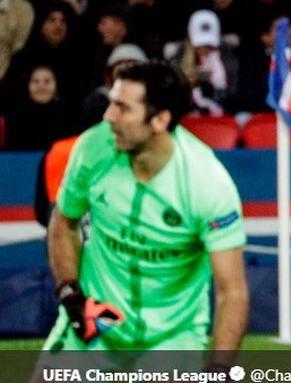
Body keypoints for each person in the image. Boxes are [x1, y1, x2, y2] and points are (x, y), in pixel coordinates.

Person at [42, 61, 248, 364]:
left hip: (173, 338)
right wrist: (71, 296)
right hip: (93, 324)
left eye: (122, 108)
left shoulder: (208, 183)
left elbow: (232, 292)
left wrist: (219, 367)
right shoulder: (92, 147)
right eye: (111, 103)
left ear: (160, 120)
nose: (108, 116)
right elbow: (64, 221)